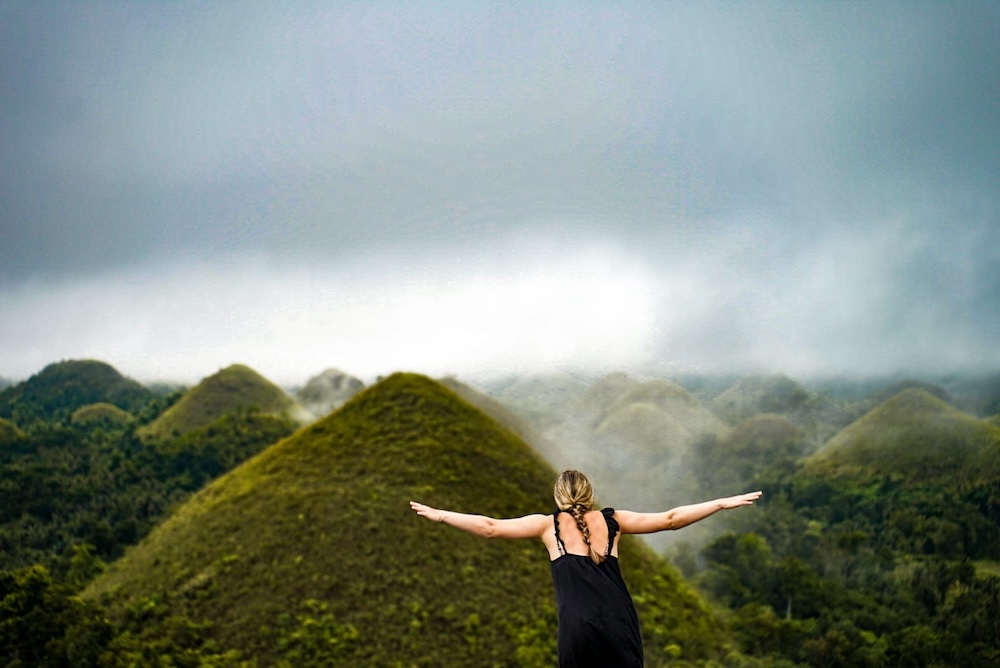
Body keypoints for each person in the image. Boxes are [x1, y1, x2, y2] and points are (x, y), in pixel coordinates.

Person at [410, 469, 762, 667]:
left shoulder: (548, 525)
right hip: (619, 622)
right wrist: (719, 503)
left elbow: (490, 527)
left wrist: (441, 514)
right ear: (590, 494)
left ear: (558, 497)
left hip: (578, 627)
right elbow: (671, 519)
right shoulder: (614, 521)